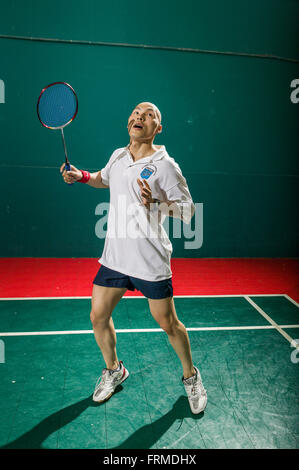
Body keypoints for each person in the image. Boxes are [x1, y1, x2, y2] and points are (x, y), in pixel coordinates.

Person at [60, 102, 207, 414]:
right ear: (129, 121)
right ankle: (114, 370)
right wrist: (82, 175)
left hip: (149, 259)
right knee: (97, 316)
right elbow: (105, 178)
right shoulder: (118, 155)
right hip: (115, 257)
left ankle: (191, 377)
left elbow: (189, 210)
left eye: (149, 114)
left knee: (168, 323)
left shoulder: (165, 165)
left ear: (158, 128)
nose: (140, 116)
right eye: (137, 112)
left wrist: (158, 202)